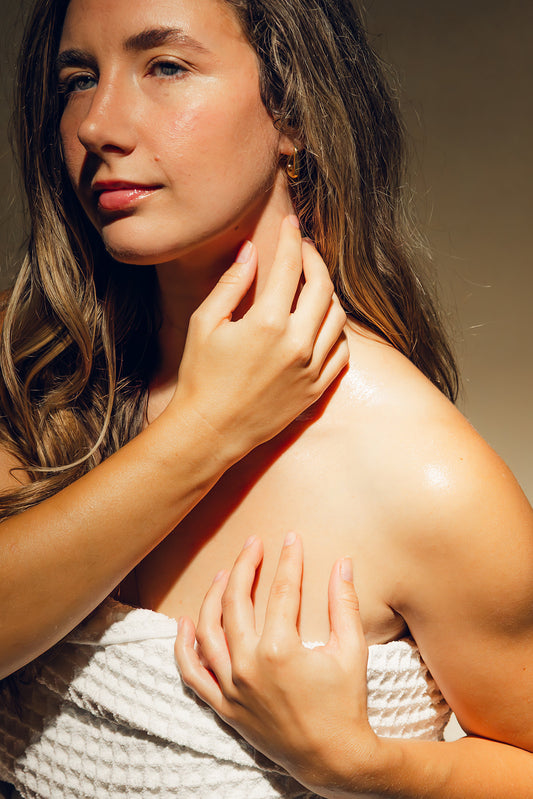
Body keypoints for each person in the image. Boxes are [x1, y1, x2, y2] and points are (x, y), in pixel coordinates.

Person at [1, 0, 532, 798]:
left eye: (166, 66)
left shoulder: (425, 476)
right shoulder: (36, 379)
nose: (99, 125)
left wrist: (357, 764)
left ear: (294, 111)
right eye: (79, 79)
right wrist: (208, 428)